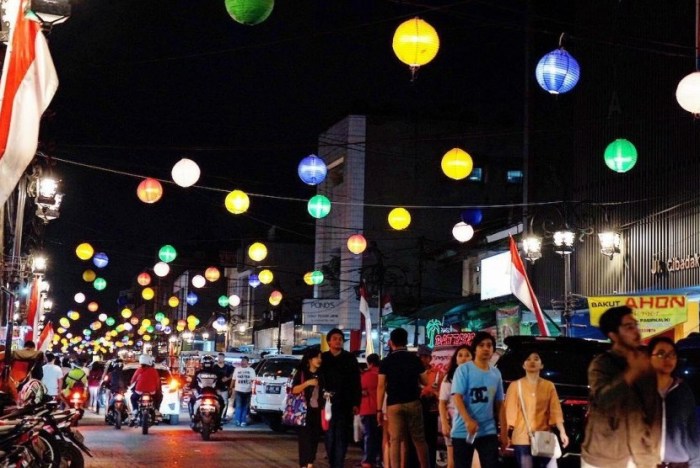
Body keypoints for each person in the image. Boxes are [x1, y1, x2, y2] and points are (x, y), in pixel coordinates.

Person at [581, 305, 661, 468]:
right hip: (605, 456)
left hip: (641, 455)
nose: (636, 331)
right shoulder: (602, 364)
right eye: (629, 327)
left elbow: (654, 411)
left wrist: (654, 451)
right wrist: (632, 373)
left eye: (636, 325)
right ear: (613, 335)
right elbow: (603, 400)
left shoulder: (646, 364)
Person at [502, 352, 569, 468]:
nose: (532, 362)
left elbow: (555, 411)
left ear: (541, 365)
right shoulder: (515, 386)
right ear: (523, 365)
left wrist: (562, 432)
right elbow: (509, 413)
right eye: (528, 359)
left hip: (544, 437)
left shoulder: (549, 386)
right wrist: (504, 434)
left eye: (536, 359)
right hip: (522, 439)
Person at [377, 327, 430, 468]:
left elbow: (381, 386)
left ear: (391, 342)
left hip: (394, 405)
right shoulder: (414, 359)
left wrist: (378, 410)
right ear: (406, 341)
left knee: (395, 440)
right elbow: (425, 381)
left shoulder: (386, 361)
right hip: (413, 402)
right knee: (419, 439)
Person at [451, 331, 504, 468]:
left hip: (488, 431)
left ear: (493, 349)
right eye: (481, 345)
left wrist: (504, 432)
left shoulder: (496, 373)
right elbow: (457, 397)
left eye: (489, 345)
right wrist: (468, 420)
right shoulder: (463, 370)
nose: (486, 348)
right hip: (463, 431)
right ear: (475, 349)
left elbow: (500, 404)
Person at [647, 336, 700, 468]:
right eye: (661, 353)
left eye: (672, 354)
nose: (668, 358)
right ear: (649, 358)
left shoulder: (683, 390)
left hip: (679, 463)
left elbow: (693, 430)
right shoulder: (638, 390)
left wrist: (696, 463)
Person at [320, 328, 362, 468]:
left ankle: (339, 462)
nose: (338, 341)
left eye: (340, 339)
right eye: (335, 338)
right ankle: (332, 460)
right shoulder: (323, 358)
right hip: (327, 403)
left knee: (342, 435)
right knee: (329, 434)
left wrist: (356, 403)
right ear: (329, 341)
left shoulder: (349, 358)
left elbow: (356, 382)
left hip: (345, 403)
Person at [439, 345, 472, 468]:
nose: (463, 358)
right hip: (454, 422)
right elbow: (442, 402)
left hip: (472, 423)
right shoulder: (449, 379)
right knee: (453, 461)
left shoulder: (477, 376)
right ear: (455, 359)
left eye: (467, 355)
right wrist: (444, 423)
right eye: (460, 355)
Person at [291, 347, 324, 468]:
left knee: (315, 438)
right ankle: (305, 464)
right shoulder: (302, 373)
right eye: (317, 357)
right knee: (305, 439)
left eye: (321, 357)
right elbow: (294, 390)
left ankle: (310, 462)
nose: (319, 360)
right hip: (303, 411)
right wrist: (307, 383)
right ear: (310, 359)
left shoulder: (322, 374)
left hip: (317, 410)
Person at [418, 344, 443, 468]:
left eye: (426, 357)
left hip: (432, 409)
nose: (423, 359)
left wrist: (433, 394)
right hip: (417, 409)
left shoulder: (438, 373)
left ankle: (431, 464)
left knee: (431, 440)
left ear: (430, 358)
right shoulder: (414, 373)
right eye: (421, 356)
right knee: (418, 440)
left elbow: (442, 391)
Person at [190, 355, 224, 427]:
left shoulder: (198, 373)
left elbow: (192, 384)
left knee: (191, 401)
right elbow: (221, 384)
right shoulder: (216, 373)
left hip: (201, 395)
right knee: (222, 403)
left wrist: (191, 387)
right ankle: (219, 419)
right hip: (213, 395)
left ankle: (193, 416)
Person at [359, 353, 381, 468]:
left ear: (370, 363)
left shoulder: (367, 375)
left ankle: (367, 460)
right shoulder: (382, 374)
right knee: (378, 436)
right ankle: (379, 459)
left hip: (367, 409)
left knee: (368, 436)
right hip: (381, 409)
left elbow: (359, 389)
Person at [129, 354, 161, 424]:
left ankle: (135, 410)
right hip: (152, 391)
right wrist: (158, 390)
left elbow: (133, 380)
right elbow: (158, 381)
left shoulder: (139, 370)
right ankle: (156, 409)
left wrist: (131, 385)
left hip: (139, 391)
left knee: (133, 398)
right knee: (159, 397)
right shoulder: (154, 370)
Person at [232, 356, 256, 427]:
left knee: (245, 406)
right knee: (238, 406)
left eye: (244, 361)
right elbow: (233, 379)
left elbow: (253, 380)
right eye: (242, 361)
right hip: (238, 390)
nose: (242, 362)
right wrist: (231, 388)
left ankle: (243, 421)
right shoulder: (237, 369)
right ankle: (237, 420)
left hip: (248, 390)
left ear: (247, 362)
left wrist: (253, 389)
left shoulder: (251, 370)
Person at [215, 353, 234, 422]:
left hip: (225, 388)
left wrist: (228, 378)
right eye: (219, 357)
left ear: (224, 358)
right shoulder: (214, 367)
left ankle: (222, 417)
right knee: (216, 403)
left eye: (221, 357)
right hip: (216, 389)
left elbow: (233, 374)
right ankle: (216, 416)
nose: (220, 359)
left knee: (225, 403)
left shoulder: (228, 367)